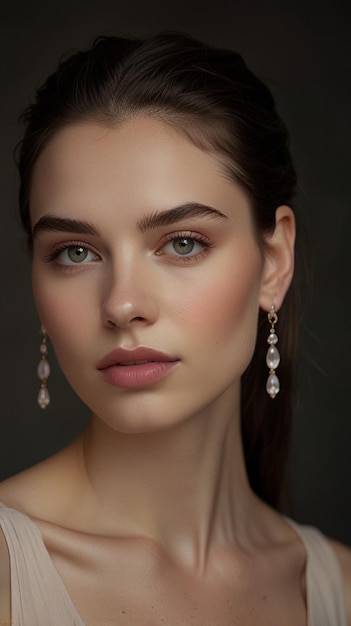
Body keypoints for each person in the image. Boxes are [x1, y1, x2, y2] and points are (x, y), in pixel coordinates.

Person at [0, 32, 350, 626]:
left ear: (274, 263)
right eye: (75, 253)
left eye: (182, 243)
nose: (123, 304)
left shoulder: (338, 587)